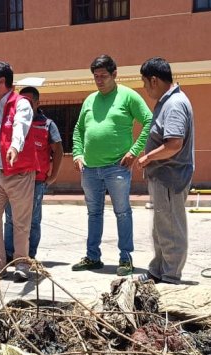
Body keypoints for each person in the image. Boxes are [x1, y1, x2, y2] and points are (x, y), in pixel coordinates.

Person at [71, 54, 152, 276]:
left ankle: (125, 259)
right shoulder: (89, 100)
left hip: (117, 167)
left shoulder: (127, 96)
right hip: (90, 168)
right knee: (93, 214)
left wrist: (134, 151)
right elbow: (78, 129)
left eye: (103, 76)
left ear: (114, 74)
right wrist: (78, 153)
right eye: (95, 76)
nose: (99, 80)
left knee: (123, 212)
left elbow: (148, 121)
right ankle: (93, 257)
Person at [136, 57, 195, 284]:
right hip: (162, 177)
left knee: (170, 229)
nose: (144, 88)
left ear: (153, 80)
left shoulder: (174, 105)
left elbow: (174, 144)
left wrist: (147, 157)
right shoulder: (166, 102)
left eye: (144, 82)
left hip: (171, 177)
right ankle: (158, 271)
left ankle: (170, 275)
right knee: (161, 228)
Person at [0, 61, 35, 283]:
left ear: (2, 82)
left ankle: (22, 263)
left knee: (20, 222)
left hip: (19, 174)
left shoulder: (22, 104)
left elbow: (20, 127)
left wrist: (15, 147)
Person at [3, 86, 63, 262]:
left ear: (38, 102)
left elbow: (58, 149)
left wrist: (53, 175)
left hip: (37, 180)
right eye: (22, 101)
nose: (25, 105)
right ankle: (10, 255)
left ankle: (30, 255)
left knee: (33, 220)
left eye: (29, 102)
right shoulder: (13, 122)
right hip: (13, 178)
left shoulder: (47, 124)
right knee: (11, 219)